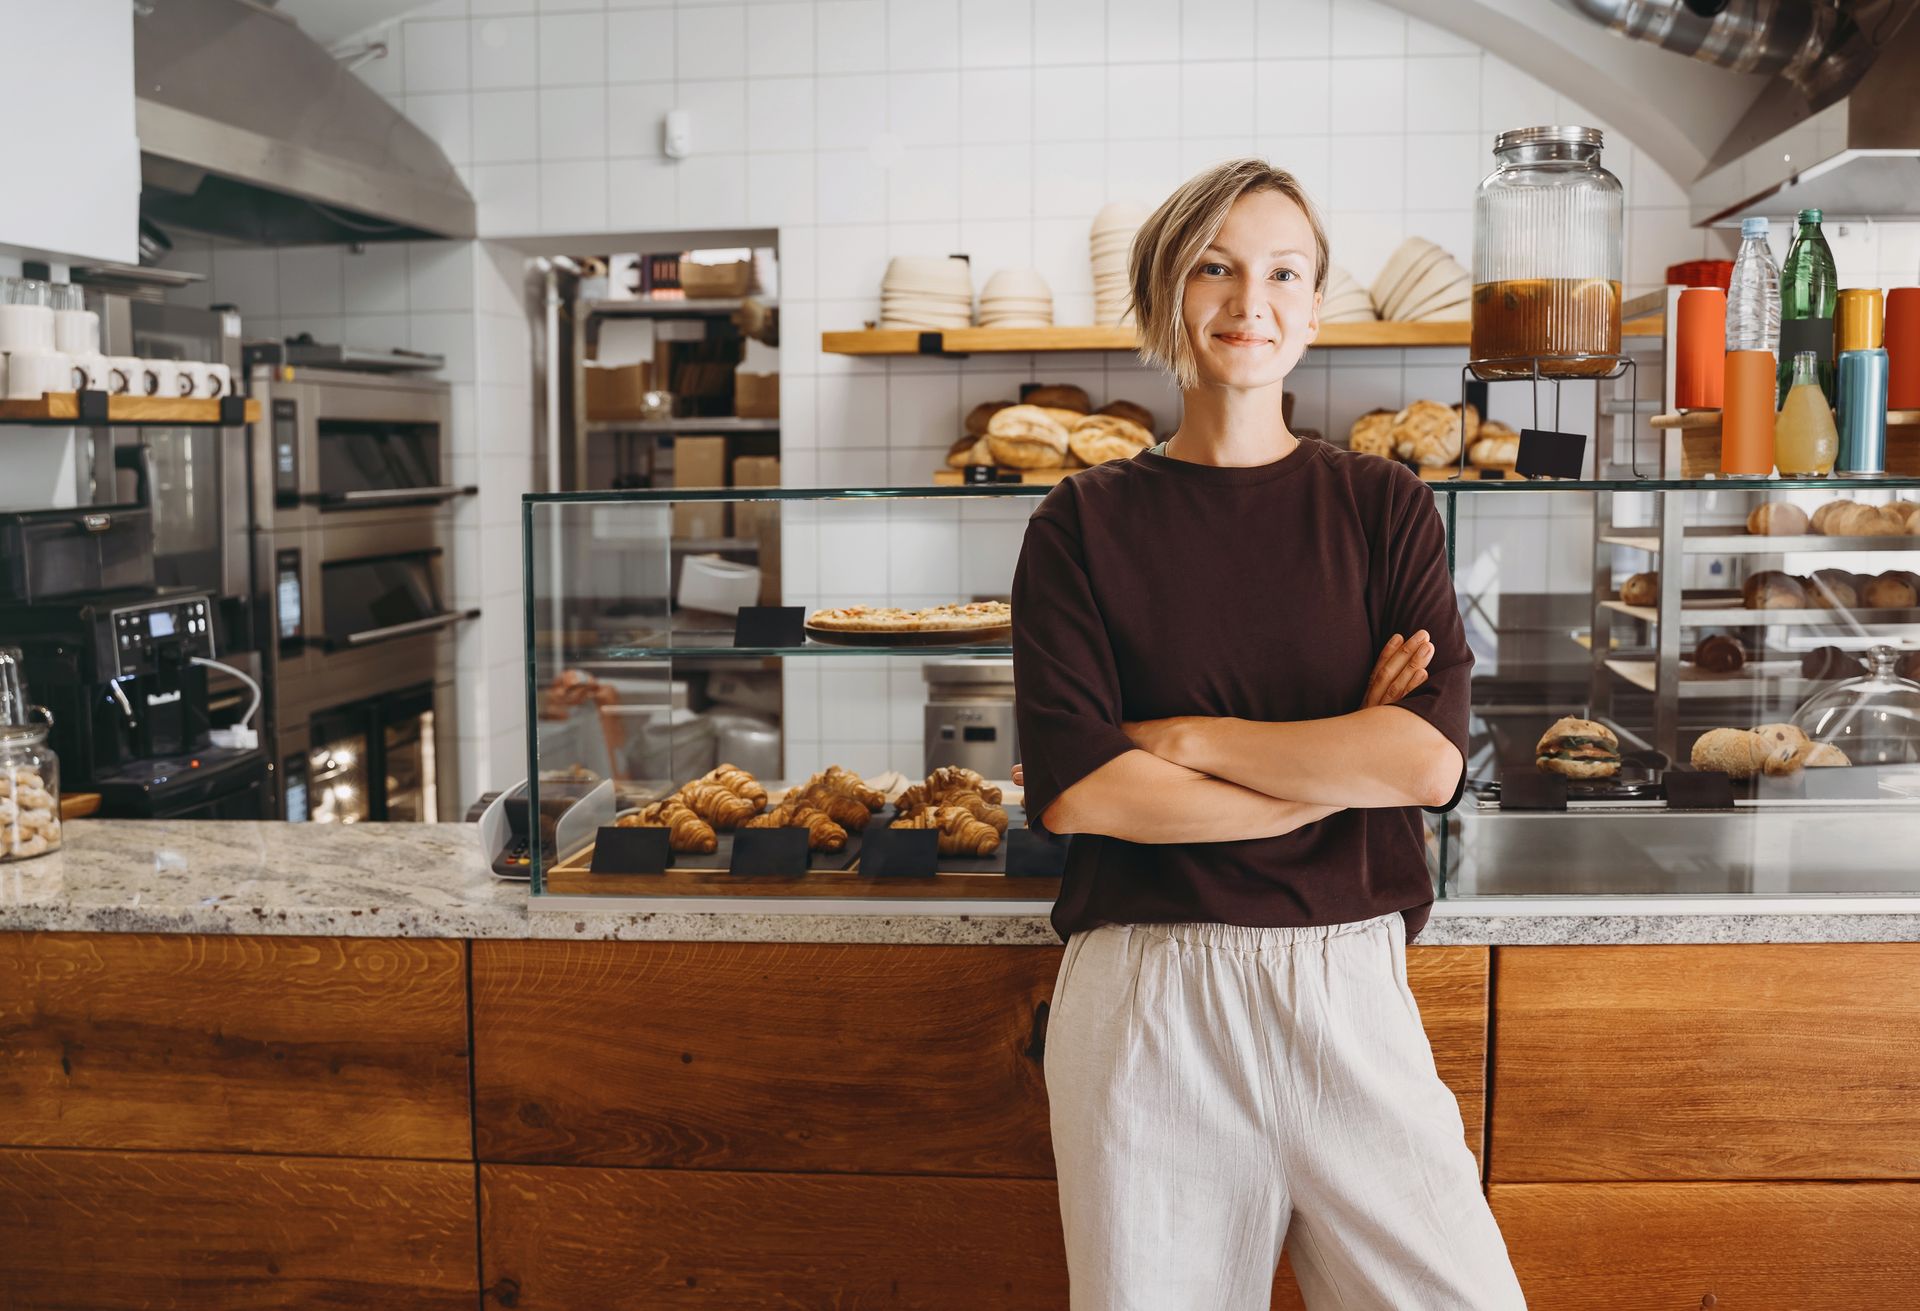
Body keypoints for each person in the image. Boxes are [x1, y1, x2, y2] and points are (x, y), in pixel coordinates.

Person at [1009, 159, 1526, 1309]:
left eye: (1284, 271)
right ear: (1164, 293)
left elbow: (1425, 763)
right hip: (1150, 1001)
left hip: (1351, 985)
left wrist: (1186, 738)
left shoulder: (1383, 504)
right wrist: (1336, 763)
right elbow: (1086, 793)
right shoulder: (1080, 522)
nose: (1253, 301)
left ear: (1317, 301)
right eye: (1216, 267)